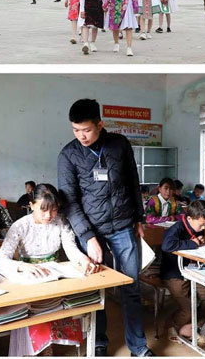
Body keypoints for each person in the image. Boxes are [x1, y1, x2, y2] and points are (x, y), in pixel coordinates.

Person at [58, 99, 155, 357]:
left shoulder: (119, 144)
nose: (81, 136)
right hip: (91, 231)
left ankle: (139, 347)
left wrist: (139, 218)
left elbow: (133, 182)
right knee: (96, 289)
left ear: (100, 124)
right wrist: (88, 237)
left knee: (131, 287)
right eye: (76, 130)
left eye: (86, 130)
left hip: (124, 226)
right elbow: (69, 200)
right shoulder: (68, 155)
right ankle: (99, 342)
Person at [0, 183, 99, 356]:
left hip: (54, 275)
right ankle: (37, 347)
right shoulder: (20, 226)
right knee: (36, 310)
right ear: (32, 205)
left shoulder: (60, 222)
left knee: (62, 303)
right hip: (30, 278)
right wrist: (23, 265)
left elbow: (70, 248)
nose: (49, 216)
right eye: (43, 210)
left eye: (53, 210)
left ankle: (49, 345)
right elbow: (0, 261)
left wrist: (82, 259)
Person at [160, 200, 205, 347]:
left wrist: (200, 239)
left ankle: (190, 327)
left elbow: (196, 240)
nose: (203, 228)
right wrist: (193, 243)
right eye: (201, 225)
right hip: (174, 273)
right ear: (189, 218)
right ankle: (171, 325)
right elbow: (167, 245)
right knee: (187, 308)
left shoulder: (197, 226)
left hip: (193, 270)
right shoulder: (176, 229)